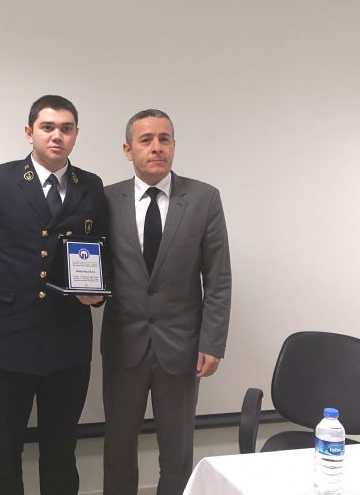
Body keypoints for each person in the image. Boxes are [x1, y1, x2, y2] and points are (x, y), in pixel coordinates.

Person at [0, 95, 108, 495]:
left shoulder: (90, 185)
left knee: (61, 449)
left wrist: (97, 295)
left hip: (67, 339)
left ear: (76, 134)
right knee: (4, 448)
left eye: (66, 128)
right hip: (8, 336)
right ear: (30, 132)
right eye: (48, 127)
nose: (57, 136)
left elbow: (104, 251)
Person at [101, 109, 232, 494]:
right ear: (128, 150)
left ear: (174, 145)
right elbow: (95, 266)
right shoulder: (106, 199)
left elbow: (218, 278)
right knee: (118, 450)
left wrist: (212, 341)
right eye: (146, 140)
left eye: (164, 138)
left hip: (181, 347)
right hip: (123, 344)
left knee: (177, 453)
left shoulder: (204, 198)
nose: (156, 147)